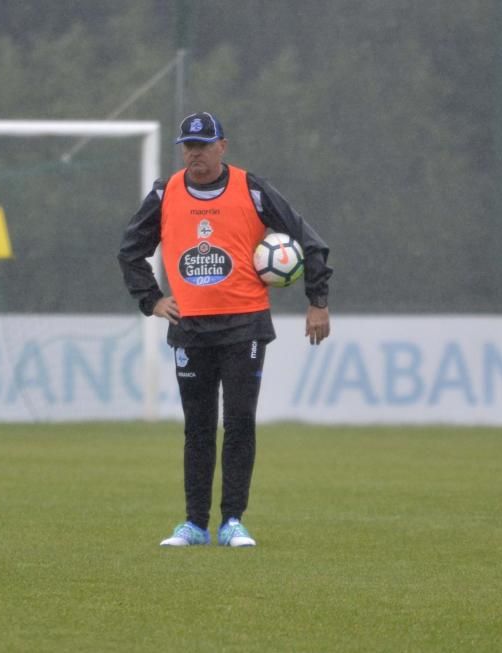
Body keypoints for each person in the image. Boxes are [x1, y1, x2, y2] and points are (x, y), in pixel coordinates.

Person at [117, 112, 333, 547]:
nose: (194, 152)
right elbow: (130, 251)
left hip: (245, 325)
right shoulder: (165, 193)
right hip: (190, 328)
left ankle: (232, 521)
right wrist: (153, 300)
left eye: (203, 144)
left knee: (239, 423)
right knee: (197, 428)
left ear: (222, 146)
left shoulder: (252, 189)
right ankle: (194, 525)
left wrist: (318, 301)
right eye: (188, 145)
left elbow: (308, 239)